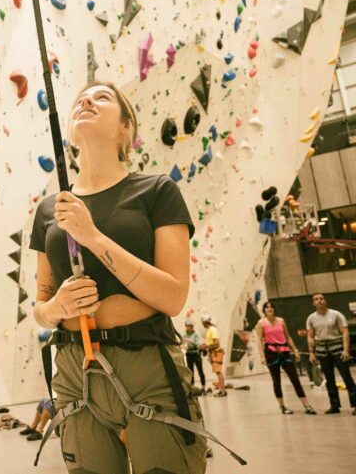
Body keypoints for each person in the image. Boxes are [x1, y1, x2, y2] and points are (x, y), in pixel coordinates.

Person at [30, 80, 218, 474]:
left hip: (146, 363)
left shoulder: (155, 191)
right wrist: (55, 307)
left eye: (102, 97)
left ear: (126, 129)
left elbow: (172, 296)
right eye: (81, 98)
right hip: (72, 368)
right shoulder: (51, 209)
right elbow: (40, 307)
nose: (86, 100)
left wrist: (92, 237)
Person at [255, 302, 315, 414]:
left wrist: (295, 350)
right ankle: (282, 406)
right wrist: (262, 356)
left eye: (271, 306)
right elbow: (259, 340)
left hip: (285, 351)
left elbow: (287, 337)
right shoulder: (261, 323)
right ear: (264, 311)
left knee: (295, 378)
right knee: (276, 380)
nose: (270, 308)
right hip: (271, 353)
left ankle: (306, 405)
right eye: (267, 307)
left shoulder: (281, 321)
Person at [306, 293, 356, 415]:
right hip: (322, 351)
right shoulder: (311, 318)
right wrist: (311, 353)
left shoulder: (336, 315)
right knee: (329, 379)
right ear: (313, 303)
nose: (319, 301)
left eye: (321, 299)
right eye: (316, 299)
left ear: (325, 301)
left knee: (346, 377)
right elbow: (310, 337)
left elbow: (345, 333)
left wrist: (345, 350)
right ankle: (334, 405)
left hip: (338, 349)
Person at [199, 315, 226, 397]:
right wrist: (205, 345)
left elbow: (216, 343)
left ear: (205, 322)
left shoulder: (212, 330)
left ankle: (222, 391)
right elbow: (212, 343)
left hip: (216, 353)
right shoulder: (210, 330)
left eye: (202, 322)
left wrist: (205, 347)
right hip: (213, 353)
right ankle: (222, 390)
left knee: (219, 372)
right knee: (218, 372)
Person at [183, 319, 206, 394]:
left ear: (191, 326)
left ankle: (203, 387)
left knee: (200, 371)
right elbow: (183, 343)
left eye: (188, 326)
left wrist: (189, 340)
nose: (187, 327)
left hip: (196, 354)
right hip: (189, 354)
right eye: (186, 326)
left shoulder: (195, 334)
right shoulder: (185, 334)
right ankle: (192, 387)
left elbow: (198, 344)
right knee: (190, 371)